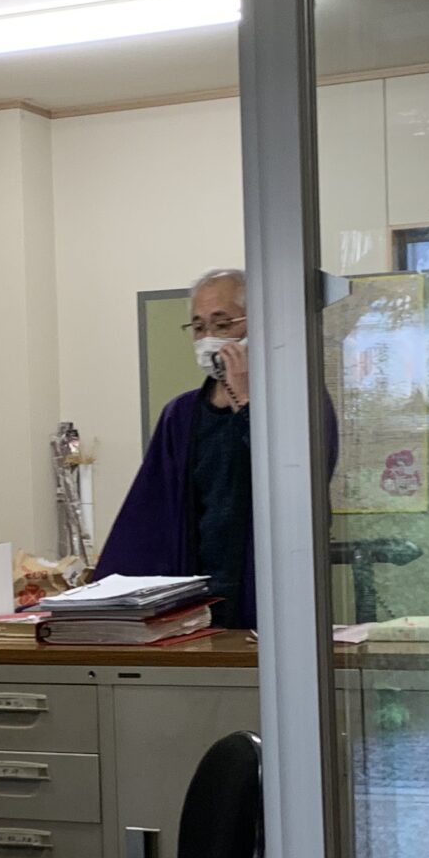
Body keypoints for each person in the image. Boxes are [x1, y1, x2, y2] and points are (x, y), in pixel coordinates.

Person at [98, 268, 261, 628]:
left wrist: (246, 400)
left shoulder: (295, 398)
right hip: (198, 603)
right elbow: (147, 516)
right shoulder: (181, 415)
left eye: (222, 325)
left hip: (269, 596)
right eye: (198, 327)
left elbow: (291, 485)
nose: (208, 339)